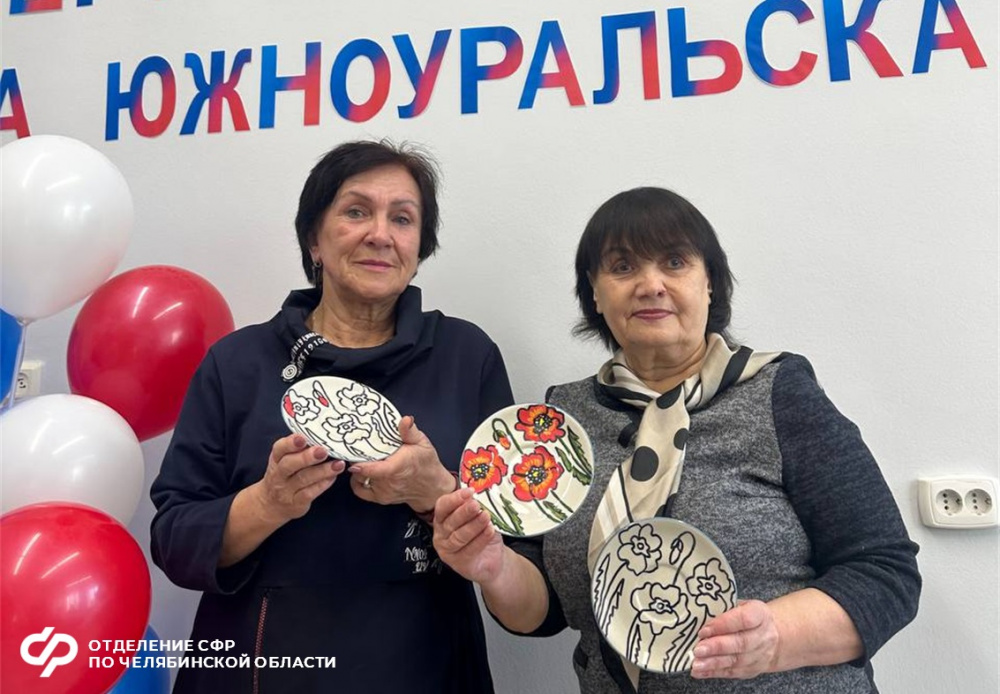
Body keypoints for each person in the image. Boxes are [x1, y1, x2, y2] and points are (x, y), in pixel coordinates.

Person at [433, 187, 921, 693]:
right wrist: (495, 568)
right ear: (595, 293)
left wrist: (775, 637)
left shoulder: (779, 393)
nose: (650, 285)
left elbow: (885, 572)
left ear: (710, 284)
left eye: (674, 262)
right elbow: (548, 609)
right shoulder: (559, 421)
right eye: (622, 267)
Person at [150, 140, 513, 693]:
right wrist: (267, 502)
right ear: (313, 239)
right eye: (356, 211)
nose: (380, 234)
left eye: (403, 218)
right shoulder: (238, 362)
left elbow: (514, 536)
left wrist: (435, 490)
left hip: (425, 665)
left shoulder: (467, 356)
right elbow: (174, 539)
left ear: (420, 246)